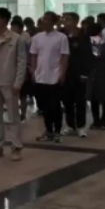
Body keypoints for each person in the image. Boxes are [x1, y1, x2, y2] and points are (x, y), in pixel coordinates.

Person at [0, 8, 28, 161]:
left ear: (5, 20)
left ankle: (16, 147)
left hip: (9, 83)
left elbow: (21, 62)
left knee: (13, 117)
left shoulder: (16, 39)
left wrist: (18, 83)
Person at [30, 12, 69, 143]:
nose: (44, 21)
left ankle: (57, 131)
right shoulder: (37, 37)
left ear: (53, 22)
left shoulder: (61, 37)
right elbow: (34, 55)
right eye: (43, 19)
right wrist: (33, 71)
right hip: (40, 75)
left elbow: (65, 56)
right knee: (44, 106)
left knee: (55, 105)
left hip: (55, 75)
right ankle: (48, 130)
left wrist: (62, 73)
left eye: (47, 19)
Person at [61, 13, 91, 138]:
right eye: (64, 20)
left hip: (79, 73)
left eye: (68, 19)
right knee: (67, 100)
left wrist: (85, 73)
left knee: (80, 100)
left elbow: (88, 55)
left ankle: (81, 126)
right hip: (65, 72)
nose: (65, 22)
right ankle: (70, 125)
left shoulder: (83, 35)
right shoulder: (62, 35)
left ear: (75, 21)